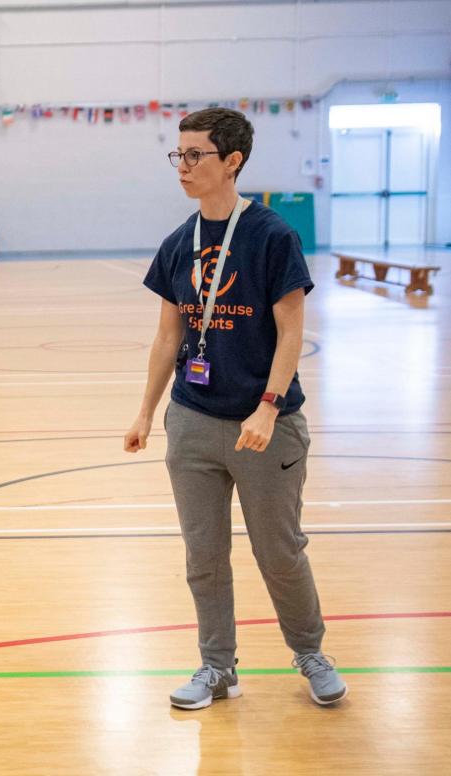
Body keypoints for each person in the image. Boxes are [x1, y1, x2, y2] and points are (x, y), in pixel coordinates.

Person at [123, 107, 347, 710]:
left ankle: (310, 652)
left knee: (278, 553)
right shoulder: (178, 243)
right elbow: (169, 337)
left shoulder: (272, 236)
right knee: (204, 556)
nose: (183, 166)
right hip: (193, 422)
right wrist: (147, 411)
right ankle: (217, 667)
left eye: (196, 155)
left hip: (263, 425)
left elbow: (292, 329)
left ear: (232, 162)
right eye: (179, 154)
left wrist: (269, 407)